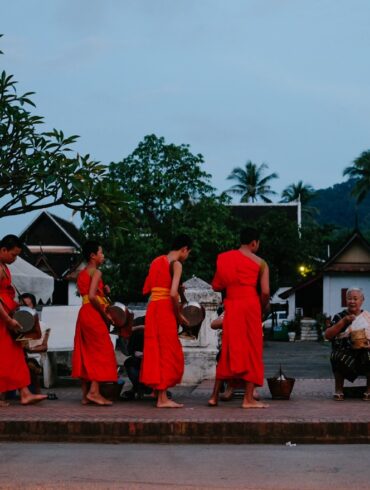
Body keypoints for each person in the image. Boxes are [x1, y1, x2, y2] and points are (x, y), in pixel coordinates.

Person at [208, 227, 270, 409]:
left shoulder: (224, 258)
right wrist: (261, 305)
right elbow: (265, 291)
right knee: (252, 349)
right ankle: (248, 399)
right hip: (251, 305)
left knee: (228, 349)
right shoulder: (261, 263)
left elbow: (216, 285)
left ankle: (214, 396)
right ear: (254, 243)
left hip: (232, 305)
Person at [140, 234, 192, 408]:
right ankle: (162, 398)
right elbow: (171, 294)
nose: (187, 256)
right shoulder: (176, 264)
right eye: (188, 252)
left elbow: (152, 288)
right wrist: (179, 316)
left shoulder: (156, 261)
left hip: (153, 307)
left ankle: (159, 393)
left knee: (156, 349)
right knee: (169, 350)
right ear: (184, 249)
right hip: (164, 309)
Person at [0, 235, 47, 406]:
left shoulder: (4, 266)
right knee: (6, 357)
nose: (15, 259)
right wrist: (7, 319)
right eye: (13, 255)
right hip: (2, 319)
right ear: (3, 250)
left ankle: (25, 393)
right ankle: (21, 393)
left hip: (7, 315)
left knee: (15, 355)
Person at [72, 241, 117, 406]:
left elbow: (89, 294)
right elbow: (92, 296)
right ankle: (94, 392)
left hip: (83, 313)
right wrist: (105, 314)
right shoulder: (96, 272)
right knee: (102, 351)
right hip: (93, 313)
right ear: (92, 256)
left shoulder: (82, 273)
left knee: (86, 352)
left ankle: (85, 395)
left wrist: (103, 292)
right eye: (101, 253)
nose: (103, 256)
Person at [325, 287, 370, 401]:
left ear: (362, 300)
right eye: (349, 299)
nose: (352, 301)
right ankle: (339, 390)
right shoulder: (339, 316)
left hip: (364, 355)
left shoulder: (367, 317)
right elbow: (328, 335)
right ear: (346, 300)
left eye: (355, 298)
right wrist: (344, 321)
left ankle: (369, 391)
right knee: (336, 355)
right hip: (345, 355)